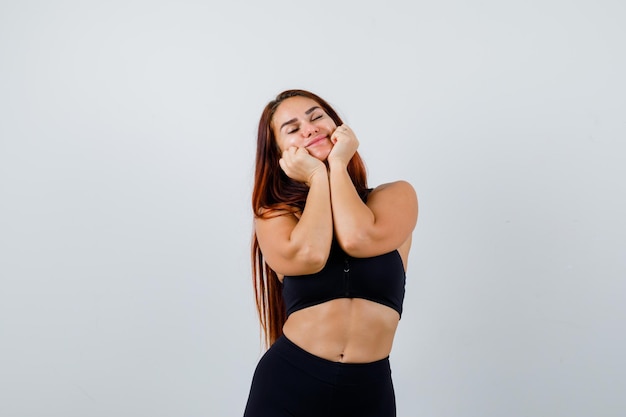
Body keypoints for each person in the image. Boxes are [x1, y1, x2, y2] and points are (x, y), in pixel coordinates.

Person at [243, 89, 418, 417]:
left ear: (337, 126)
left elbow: (358, 238)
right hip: (288, 383)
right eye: (292, 129)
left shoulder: (395, 196)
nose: (309, 128)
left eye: (316, 117)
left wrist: (337, 165)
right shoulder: (274, 215)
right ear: (279, 153)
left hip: (368, 391)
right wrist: (316, 177)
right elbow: (310, 255)